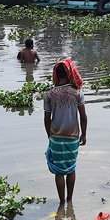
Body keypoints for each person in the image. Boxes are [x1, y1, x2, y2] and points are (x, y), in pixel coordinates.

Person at [44, 59, 88, 204]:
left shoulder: (49, 94)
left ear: (56, 74)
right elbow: (83, 116)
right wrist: (84, 134)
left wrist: (49, 135)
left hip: (56, 136)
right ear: (69, 73)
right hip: (73, 136)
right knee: (71, 168)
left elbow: (47, 118)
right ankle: (69, 200)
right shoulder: (77, 93)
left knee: (58, 171)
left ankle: (62, 202)